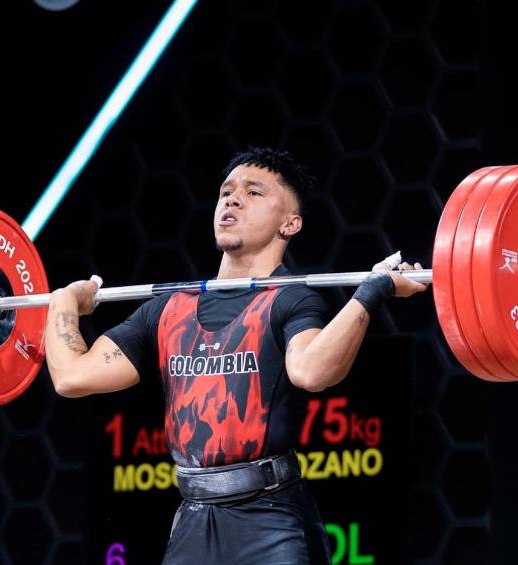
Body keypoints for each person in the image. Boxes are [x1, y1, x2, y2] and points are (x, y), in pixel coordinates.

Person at [45, 147, 427, 564]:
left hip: (272, 522)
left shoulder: (291, 301)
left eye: (254, 192)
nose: (232, 199)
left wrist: (373, 290)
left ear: (290, 223)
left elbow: (312, 372)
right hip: (193, 523)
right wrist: (64, 303)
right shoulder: (167, 309)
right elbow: (71, 378)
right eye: (226, 191)